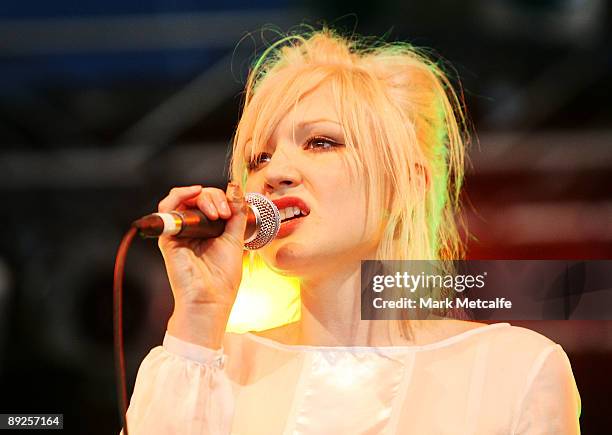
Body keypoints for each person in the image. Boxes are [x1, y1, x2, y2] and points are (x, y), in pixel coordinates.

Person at [123, 28, 581, 434]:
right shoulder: (207, 369)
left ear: (408, 183)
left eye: (321, 142)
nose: (276, 171)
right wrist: (199, 315)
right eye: (257, 158)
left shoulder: (511, 371)